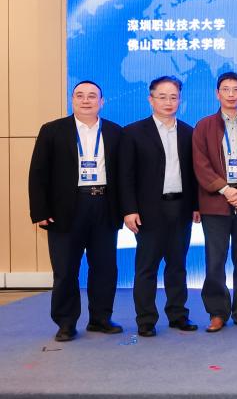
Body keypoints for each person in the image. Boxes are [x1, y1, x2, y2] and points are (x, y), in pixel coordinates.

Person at [28, 81, 124, 342]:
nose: (86, 100)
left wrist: (125, 210)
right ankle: (66, 323)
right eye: (80, 95)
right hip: (65, 209)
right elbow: (38, 173)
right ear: (72, 100)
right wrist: (40, 211)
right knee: (65, 269)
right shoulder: (52, 130)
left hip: (104, 206)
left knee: (104, 268)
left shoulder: (115, 132)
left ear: (101, 102)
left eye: (92, 96)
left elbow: (124, 175)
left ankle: (100, 319)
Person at [119, 76, 200, 337]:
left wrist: (196, 205)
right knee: (147, 268)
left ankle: (178, 315)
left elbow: (194, 174)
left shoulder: (189, 132)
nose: (168, 102)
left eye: (173, 97)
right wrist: (129, 209)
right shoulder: (133, 132)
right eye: (162, 97)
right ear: (151, 99)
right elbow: (125, 175)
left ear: (180, 100)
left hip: (181, 208)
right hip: (148, 211)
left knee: (177, 265)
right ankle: (146, 320)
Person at [192, 72, 237, 333]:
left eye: (236, 89)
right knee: (215, 260)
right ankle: (217, 312)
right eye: (226, 89)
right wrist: (225, 190)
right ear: (217, 93)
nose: (231, 94)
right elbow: (200, 165)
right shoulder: (203, 126)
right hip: (214, 203)